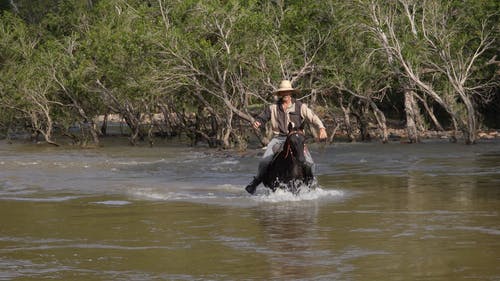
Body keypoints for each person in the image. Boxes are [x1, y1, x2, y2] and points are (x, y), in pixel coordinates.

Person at [245, 80, 328, 194]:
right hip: (279, 138)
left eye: (287, 92)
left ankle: (312, 183)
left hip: (296, 139)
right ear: (280, 94)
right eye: (283, 92)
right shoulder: (273, 108)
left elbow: (313, 117)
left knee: (309, 162)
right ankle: (256, 182)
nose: (286, 95)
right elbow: (262, 118)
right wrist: (257, 122)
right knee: (265, 161)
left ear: (291, 93)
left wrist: (321, 128)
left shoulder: (300, 106)